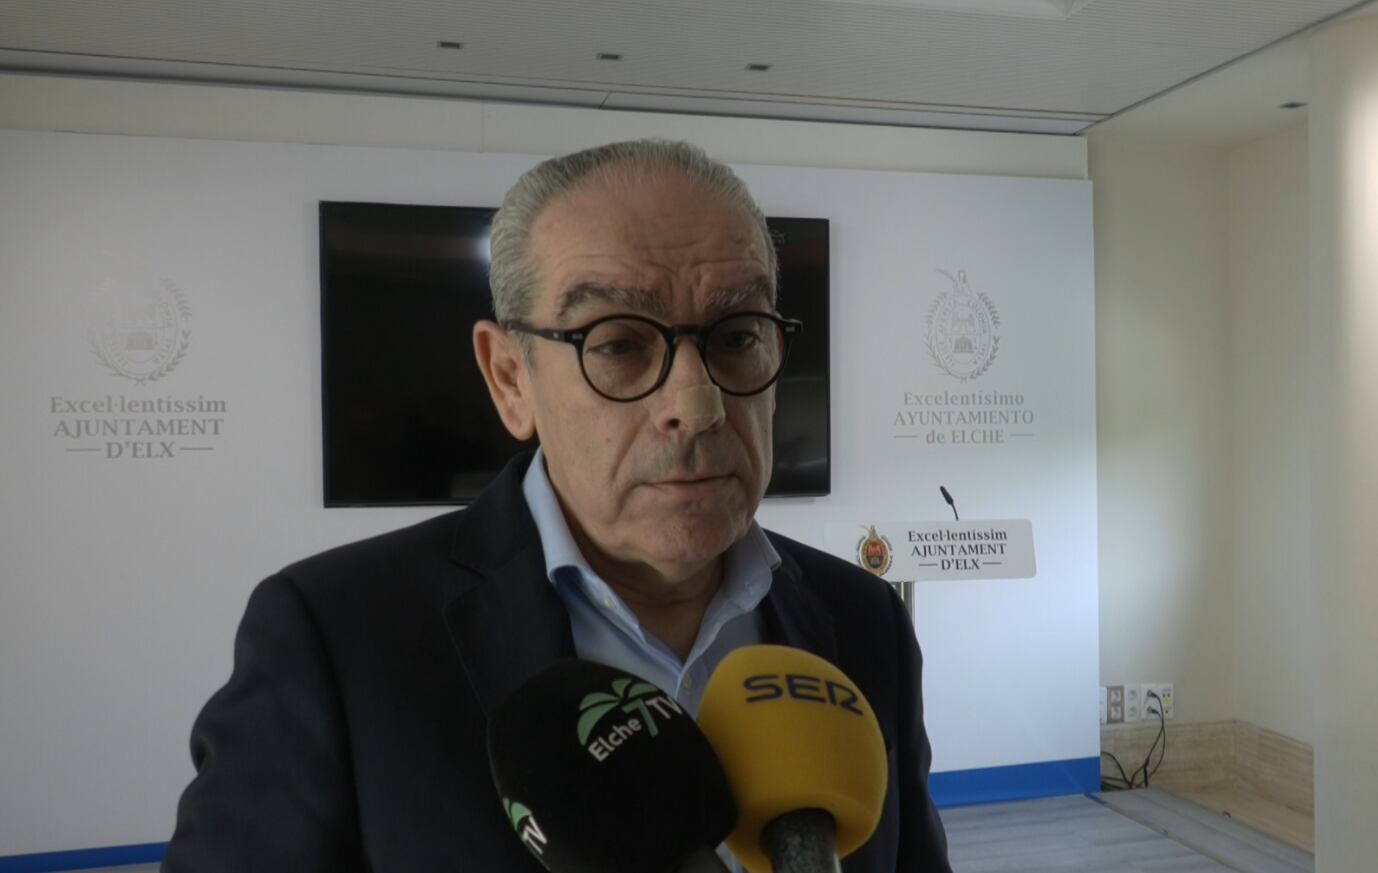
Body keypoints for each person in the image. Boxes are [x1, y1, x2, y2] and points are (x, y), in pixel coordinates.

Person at [163, 139, 952, 873]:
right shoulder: (336, 638)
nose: (698, 404)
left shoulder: (864, 620)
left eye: (738, 336)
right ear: (510, 378)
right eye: (619, 343)